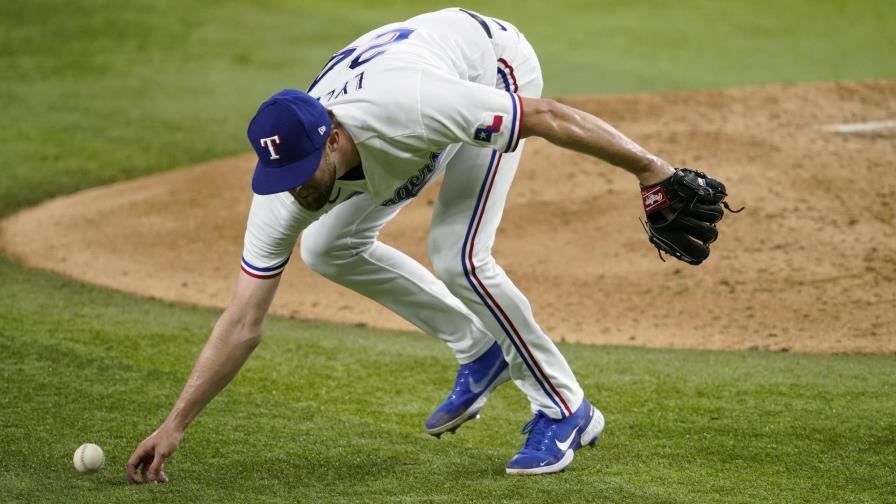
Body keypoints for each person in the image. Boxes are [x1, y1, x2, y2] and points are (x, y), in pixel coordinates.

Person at [128, 8, 728, 481]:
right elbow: (243, 319)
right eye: (282, 179)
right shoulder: (285, 191)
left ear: (333, 140)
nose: (296, 192)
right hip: (414, 87)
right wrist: (175, 424)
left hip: (488, 66)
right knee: (325, 247)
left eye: (304, 172)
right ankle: (479, 350)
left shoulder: (409, 110)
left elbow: (543, 115)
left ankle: (564, 408)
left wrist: (653, 170)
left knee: (459, 254)